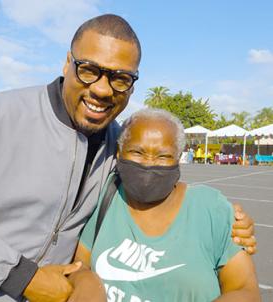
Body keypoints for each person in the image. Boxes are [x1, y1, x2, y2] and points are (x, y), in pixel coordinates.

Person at [0, 14, 255, 302]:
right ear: (67, 63)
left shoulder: (117, 143)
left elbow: (159, 183)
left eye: (120, 78)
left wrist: (226, 221)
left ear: (132, 85)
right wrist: (22, 276)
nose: (102, 89)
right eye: (89, 69)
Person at [75, 108, 260, 302]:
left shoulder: (211, 209)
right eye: (137, 152)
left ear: (178, 157)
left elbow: (245, 290)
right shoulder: (106, 194)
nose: (149, 163)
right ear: (120, 152)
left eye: (163, 156)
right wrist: (85, 279)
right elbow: (80, 261)